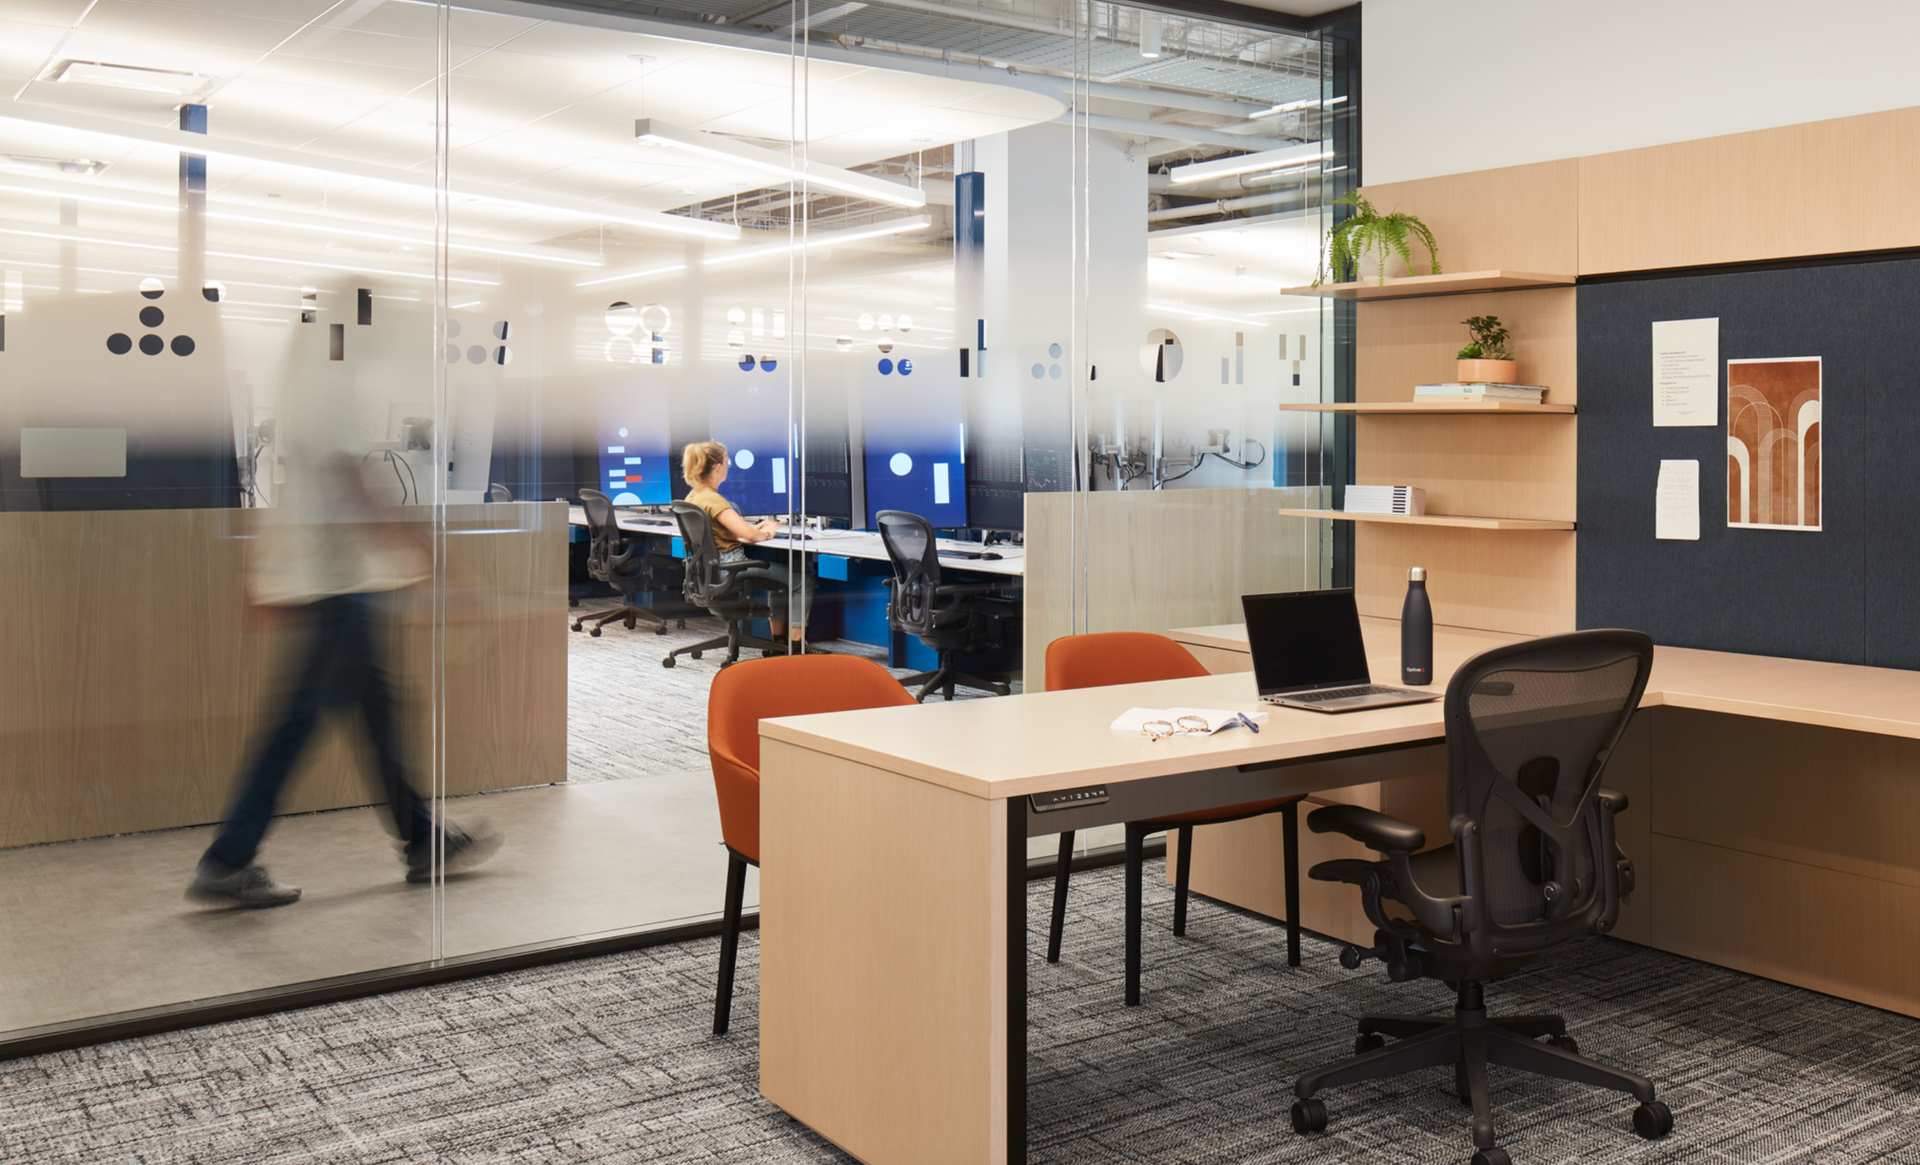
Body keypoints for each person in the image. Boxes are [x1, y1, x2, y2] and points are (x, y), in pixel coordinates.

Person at [186, 454, 498, 909]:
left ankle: (424, 839)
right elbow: (359, 487)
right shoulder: (335, 391)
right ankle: (228, 859)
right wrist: (436, 567)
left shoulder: (315, 396)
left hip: (334, 584)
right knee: (304, 724)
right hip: (338, 590)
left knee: (370, 715)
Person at [681, 440, 813, 651]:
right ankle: (797, 647)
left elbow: (716, 534)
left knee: (780, 581)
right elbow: (750, 534)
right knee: (801, 581)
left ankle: (779, 643)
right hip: (731, 567)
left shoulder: (693, 497)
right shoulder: (714, 500)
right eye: (726, 462)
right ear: (717, 467)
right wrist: (769, 530)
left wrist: (744, 530)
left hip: (712, 570)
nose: (728, 466)